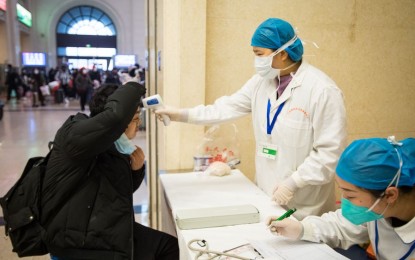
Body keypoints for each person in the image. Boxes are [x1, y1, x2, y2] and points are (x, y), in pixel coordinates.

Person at [155, 17, 347, 219]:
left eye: (259, 54)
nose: (256, 61)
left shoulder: (322, 91)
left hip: (306, 206)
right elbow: (226, 108)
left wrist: (294, 182)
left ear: (281, 54)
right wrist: (180, 114)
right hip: (266, 195)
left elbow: (330, 154)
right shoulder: (261, 82)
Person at [41, 80, 179, 259]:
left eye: (139, 118)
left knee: (170, 247)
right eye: (134, 119)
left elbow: (116, 193)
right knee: (168, 249)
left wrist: (136, 170)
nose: (138, 125)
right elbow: (116, 116)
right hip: (76, 242)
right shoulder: (75, 135)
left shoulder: (119, 146)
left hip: (101, 228)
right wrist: (135, 87)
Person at [267, 136, 415, 260]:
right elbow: (342, 225)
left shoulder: (379, 205)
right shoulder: (379, 208)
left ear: (390, 195)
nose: (344, 200)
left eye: (350, 195)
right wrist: (301, 229)